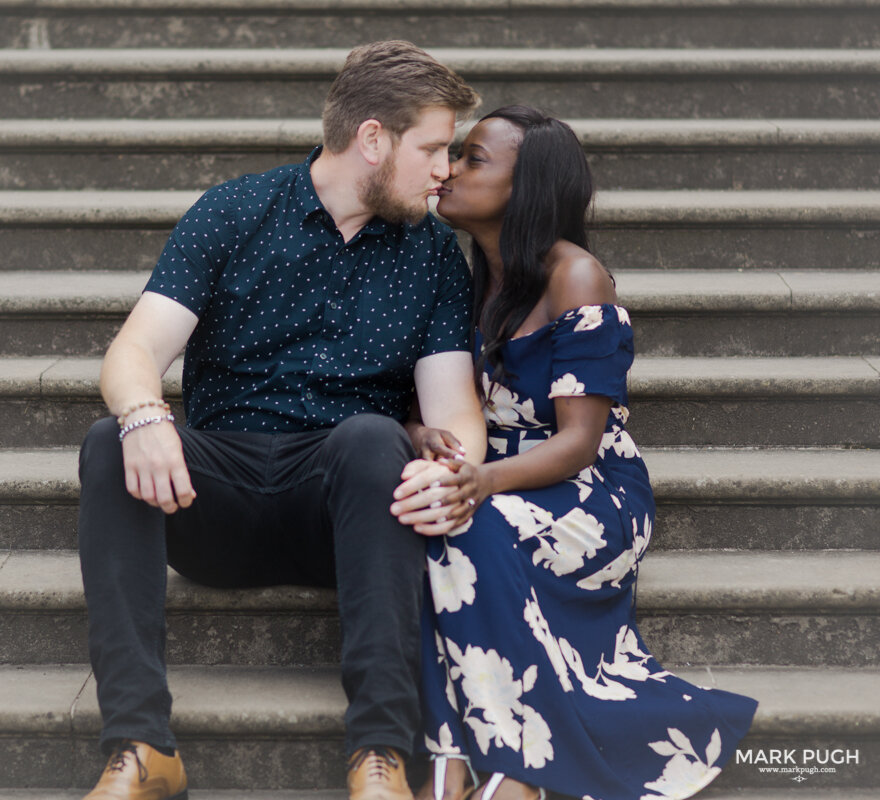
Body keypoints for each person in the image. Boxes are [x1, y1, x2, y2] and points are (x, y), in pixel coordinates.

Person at [76, 41, 489, 800]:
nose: (446, 169)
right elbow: (133, 351)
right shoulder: (235, 212)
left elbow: (454, 405)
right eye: (433, 147)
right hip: (213, 498)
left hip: (341, 511)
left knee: (374, 435)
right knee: (109, 441)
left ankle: (381, 758)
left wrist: (457, 464)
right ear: (373, 139)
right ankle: (141, 748)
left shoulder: (432, 254)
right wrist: (145, 416)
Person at [390, 106, 759, 800]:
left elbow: (579, 444)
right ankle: (459, 763)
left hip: (589, 492)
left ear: (524, 188)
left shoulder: (577, 279)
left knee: (470, 526)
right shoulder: (461, 276)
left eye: (473, 159)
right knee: (433, 525)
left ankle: (510, 771)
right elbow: (422, 406)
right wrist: (419, 436)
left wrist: (478, 481)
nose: (448, 171)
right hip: (494, 478)